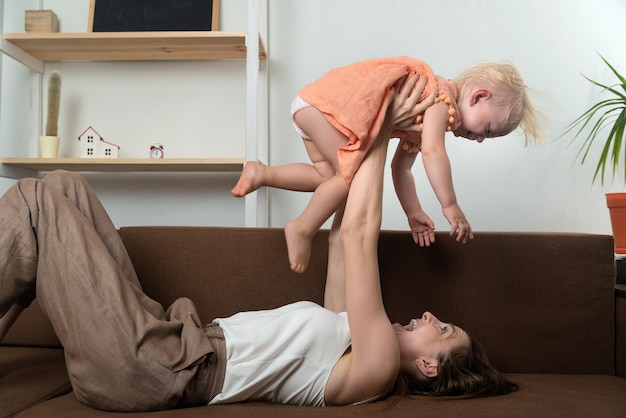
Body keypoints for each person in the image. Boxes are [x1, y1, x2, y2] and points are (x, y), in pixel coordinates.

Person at [0, 84, 516, 412]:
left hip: (153, 369)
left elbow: (360, 235)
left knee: (34, 198)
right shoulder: (351, 337)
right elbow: (343, 237)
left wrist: (379, 123)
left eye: (442, 330)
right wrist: (379, 128)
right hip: (164, 339)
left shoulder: (376, 366)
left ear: (429, 367)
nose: (430, 315)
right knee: (64, 185)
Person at [231, 57, 545, 273]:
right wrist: (450, 206)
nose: (479, 139)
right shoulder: (438, 99)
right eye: (487, 130)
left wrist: (413, 212)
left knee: (328, 178)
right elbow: (433, 152)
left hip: (313, 105)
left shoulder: (420, 120)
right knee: (350, 176)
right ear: (478, 96)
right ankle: (302, 228)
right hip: (329, 109)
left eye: (488, 138)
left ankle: (263, 172)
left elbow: (402, 168)